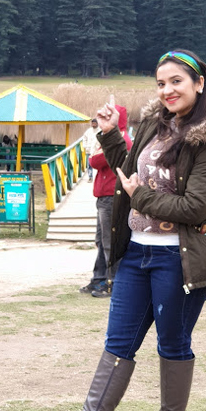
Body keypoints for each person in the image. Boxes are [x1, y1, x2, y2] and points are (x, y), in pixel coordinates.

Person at [27, 49, 206, 411]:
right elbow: (128, 172)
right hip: (136, 254)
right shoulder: (153, 124)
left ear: (200, 83)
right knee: (118, 345)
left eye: (176, 81)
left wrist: (140, 197)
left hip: (181, 260)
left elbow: (194, 208)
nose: (167, 90)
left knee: (173, 344)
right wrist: (110, 134)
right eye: (161, 83)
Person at [79, 108, 132, 299]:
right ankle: (100, 277)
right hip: (104, 196)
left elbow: (95, 160)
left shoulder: (121, 139)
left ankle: (114, 282)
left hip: (112, 196)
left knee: (110, 242)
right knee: (102, 241)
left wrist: (96, 152)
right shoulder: (115, 137)